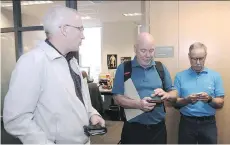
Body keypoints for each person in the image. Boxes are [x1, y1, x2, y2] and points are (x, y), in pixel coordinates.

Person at [3, 6, 105, 144]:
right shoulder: (32, 62)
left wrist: (92, 114)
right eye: (80, 29)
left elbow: (82, 101)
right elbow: (15, 119)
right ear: (64, 29)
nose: (83, 35)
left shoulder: (72, 62)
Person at [112, 32, 177, 144]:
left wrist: (168, 95)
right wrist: (139, 104)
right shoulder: (124, 68)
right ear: (135, 49)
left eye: (151, 50)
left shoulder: (160, 68)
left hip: (158, 129)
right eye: (143, 50)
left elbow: (174, 93)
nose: (148, 55)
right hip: (133, 129)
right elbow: (117, 98)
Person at [174, 42, 225, 144]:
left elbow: (221, 103)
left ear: (205, 57)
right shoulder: (179, 76)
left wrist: (210, 99)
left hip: (208, 124)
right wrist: (186, 100)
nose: (198, 62)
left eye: (201, 58)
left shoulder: (215, 76)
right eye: (194, 58)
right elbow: (174, 103)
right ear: (189, 57)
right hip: (187, 123)